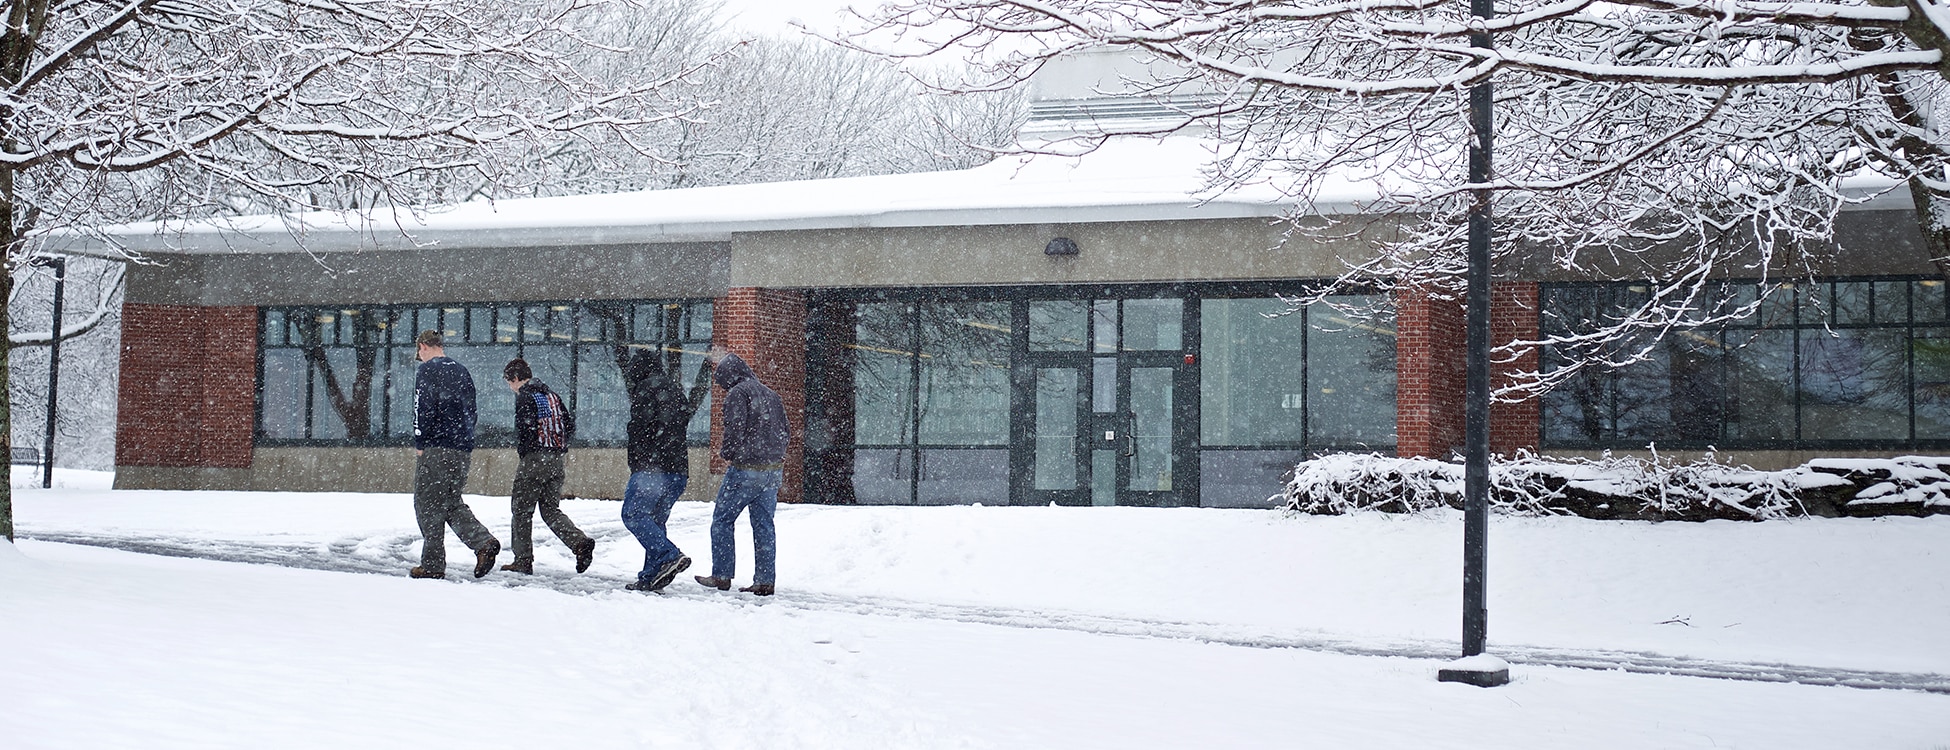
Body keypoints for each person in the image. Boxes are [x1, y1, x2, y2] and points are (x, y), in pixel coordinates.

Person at [695, 347, 790, 596]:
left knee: (723, 520)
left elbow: (734, 428)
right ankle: (765, 581)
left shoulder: (738, 393)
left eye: (722, 382)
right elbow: (786, 431)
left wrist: (727, 453)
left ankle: (722, 575)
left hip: (746, 468)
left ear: (729, 375)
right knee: (764, 525)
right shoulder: (771, 394)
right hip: (773, 470)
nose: (723, 388)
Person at [409, 330, 501, 580]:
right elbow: (472, 409)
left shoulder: (427, 370)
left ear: (424, 346)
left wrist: (420, 439)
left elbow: (422, 406)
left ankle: (432, 565)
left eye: (419, 351)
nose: (420, 355)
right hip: (461, 448)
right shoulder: (461, 370)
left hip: (436, 447)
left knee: (427, 504)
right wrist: (465, 439)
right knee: (450, 501)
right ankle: (483, 543)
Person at [620, 349, 713, 592]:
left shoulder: (645, 390)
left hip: (653, 468)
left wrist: (638, 462)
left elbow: (639, 429)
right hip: (678, 469)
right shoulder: (676, 391)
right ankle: (651, 576)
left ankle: (669, 555)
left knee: (633, 515)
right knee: (656, 521)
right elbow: (677, 426)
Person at [501, 358, 595, 575]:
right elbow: (569, 425)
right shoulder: (552, 395)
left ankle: (522, 559)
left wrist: (526, 452)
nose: (510, 387)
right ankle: (579, 543)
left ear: (516, 378)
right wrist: (558, 447)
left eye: (509, 382)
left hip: (535, 459)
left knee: (522, 510)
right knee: (551, 509)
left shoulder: (526, 396)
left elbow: (525, 429)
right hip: (556, 459)